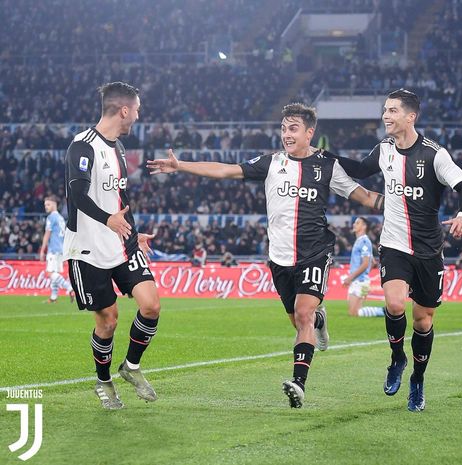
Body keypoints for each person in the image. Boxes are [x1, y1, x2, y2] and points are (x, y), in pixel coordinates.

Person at [147, 103, 384, 408]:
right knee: (298, 320)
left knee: (302, 315)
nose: (286, 134)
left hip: (314, 253)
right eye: (284, 128)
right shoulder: (272, 163)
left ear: (310, 132)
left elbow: (364, 196)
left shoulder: (327, 166)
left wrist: (406, 204)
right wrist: (182, 165)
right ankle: (319, 323)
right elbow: (226, 170)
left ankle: (298, 384)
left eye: (293, 128)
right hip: (280, 258)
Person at [325, 89, 462, 412]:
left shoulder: (435, 155)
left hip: (428, 250)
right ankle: (397, 358)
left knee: (422, 321)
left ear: (411, 117)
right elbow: (361, 170)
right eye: (385, 110)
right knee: (394, 304)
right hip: (394, 245)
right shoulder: (384, 149)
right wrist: (325, 155)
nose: (386, 116)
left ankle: (418, 381)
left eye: (392, 110)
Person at [64, 82, 160, 410]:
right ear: (123, 110)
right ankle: (103, 381)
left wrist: (133, 231)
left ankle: (131, 367)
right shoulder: (83, 145)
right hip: (87, 248)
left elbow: (120, 197)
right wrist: (108, 220)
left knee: (151, 305)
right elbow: (78, 194)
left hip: (121, 241)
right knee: (108, 321)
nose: (138, 115)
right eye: (136, 109)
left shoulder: (118, 147)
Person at [342, 217, 384, 317]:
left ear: (364, 226)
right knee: (354, 312)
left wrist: (351, 278)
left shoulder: (364, 241)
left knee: (354, 313)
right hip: (360, 281)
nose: (354, 224)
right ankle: (384, 311)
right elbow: (373, 262)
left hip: (359, 282)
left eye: (357, 223)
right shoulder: (361, 241)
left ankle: (384, 311)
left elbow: (365, 264)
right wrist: (365, 276)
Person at [39, 195, 74, 303]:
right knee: (54, 273)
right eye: (45, 205)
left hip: (53, 249)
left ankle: (70, 288)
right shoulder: (61, 218)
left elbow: (47, 234)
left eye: (48, 204)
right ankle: (53, 297)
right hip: (61, 249)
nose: (46, 207)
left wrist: (42, 249)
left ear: (54, 204)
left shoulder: (51, 217)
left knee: (49, 273)